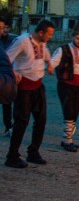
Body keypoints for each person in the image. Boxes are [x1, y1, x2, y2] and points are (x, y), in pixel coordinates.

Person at [5, 20, 54, 168]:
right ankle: (12, 156)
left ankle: (33, 152)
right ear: (41, 33)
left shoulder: (41, 42)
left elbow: (45, 52)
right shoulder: (22, 41)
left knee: (41, 120)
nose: (50, 37)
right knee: (22, 122)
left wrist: (50, 63)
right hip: (24, 87)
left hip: (38, 85)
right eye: (49, 34)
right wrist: (13, 72)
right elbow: (6, 58)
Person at [49, 22, 79, 152]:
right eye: (77, 38)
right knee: (69, 112)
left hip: (77, 85)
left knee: (75, 113)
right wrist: (47, 68)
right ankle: (68, 141)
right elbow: (53, 62)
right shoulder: (62, 49)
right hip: (65, 85)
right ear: (72, 37)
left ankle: (67, 139)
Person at [0, 16, 16, 136]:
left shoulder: (12, 41)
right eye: (2, 28)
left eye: (5, 27)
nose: (4, 30)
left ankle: (8, 126)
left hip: (6, 77)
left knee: (7, 103)